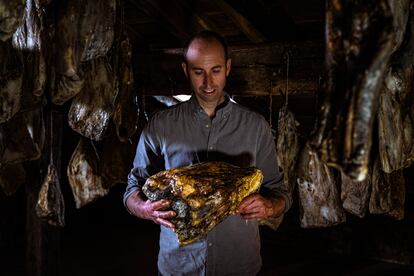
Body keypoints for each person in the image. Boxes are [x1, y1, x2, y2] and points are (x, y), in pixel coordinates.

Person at [124, 30, 291, 276]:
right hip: (179, 267)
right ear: (185, 70)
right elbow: (131, 190)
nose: (208, 83)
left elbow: (281, 194)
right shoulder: (160, 126)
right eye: (198, 72)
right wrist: (144, 209)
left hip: (238, 266)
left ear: (228, 67)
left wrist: (269, 206)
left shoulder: (256, 127)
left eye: (215, 70)